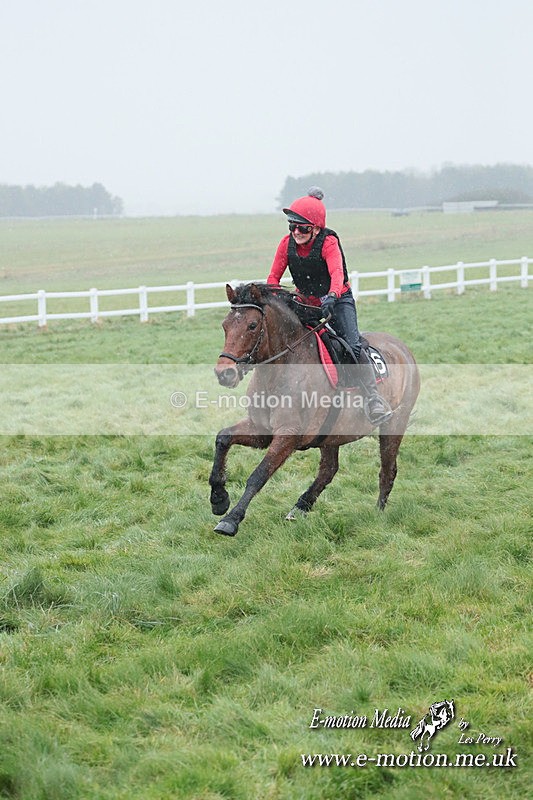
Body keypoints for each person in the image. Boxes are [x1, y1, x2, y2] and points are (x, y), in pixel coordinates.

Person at [267, 188, 392, 426]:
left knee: (352, 346)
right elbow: (273, 277)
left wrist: (333, 296)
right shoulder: (286, 245)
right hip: (305, 302)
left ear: (316, 228)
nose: (296, 232)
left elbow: (337, 273)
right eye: (292, 226)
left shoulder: (329, 242)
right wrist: (275, 299)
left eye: (303, 228)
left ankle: (372, 399)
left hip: (337, 301)